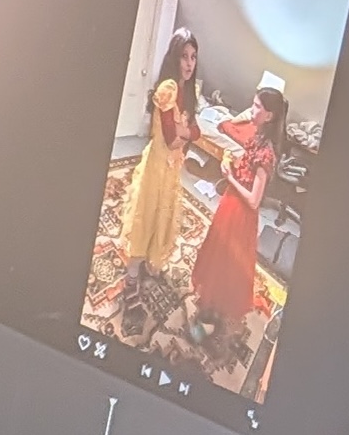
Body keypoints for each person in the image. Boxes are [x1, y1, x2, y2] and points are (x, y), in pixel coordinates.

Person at [186, 78, 288, 362]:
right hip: (231, 204)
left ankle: (209, 322)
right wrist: (232, 167)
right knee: (217, 253)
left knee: (225, 263)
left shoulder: (267, 153)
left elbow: (255, 200)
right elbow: (242, 158)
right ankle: (209, 311)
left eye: (256, 107)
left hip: (241, 213)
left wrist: (230, 177)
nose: (251, 110)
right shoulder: (256, 136)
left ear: (269, 115)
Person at [113, 27, 201, 317]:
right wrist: (188, 132)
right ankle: (131, 278)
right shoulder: (168, 89)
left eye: (193, 57)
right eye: (184, 56)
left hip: (172, 167)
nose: (189, 63)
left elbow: (193, 133)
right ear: (174, 58)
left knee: (163, 216)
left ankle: (148, 264)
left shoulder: (188, 91)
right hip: (158, 163)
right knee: (146, 215)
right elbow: (173, 138)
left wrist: (187, 132)